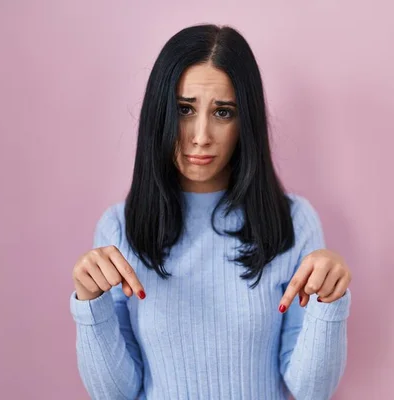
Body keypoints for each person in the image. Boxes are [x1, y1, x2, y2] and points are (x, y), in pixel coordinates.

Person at [70, 24, 352, 400]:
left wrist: (328, 302)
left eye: (223, 112)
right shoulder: (119, 228)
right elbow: (115, 393)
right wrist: (90, 303)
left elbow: (311, 391)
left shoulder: (294, 222)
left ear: (245, 121)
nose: (200, 135)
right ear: (160, 113)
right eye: (185, 109)